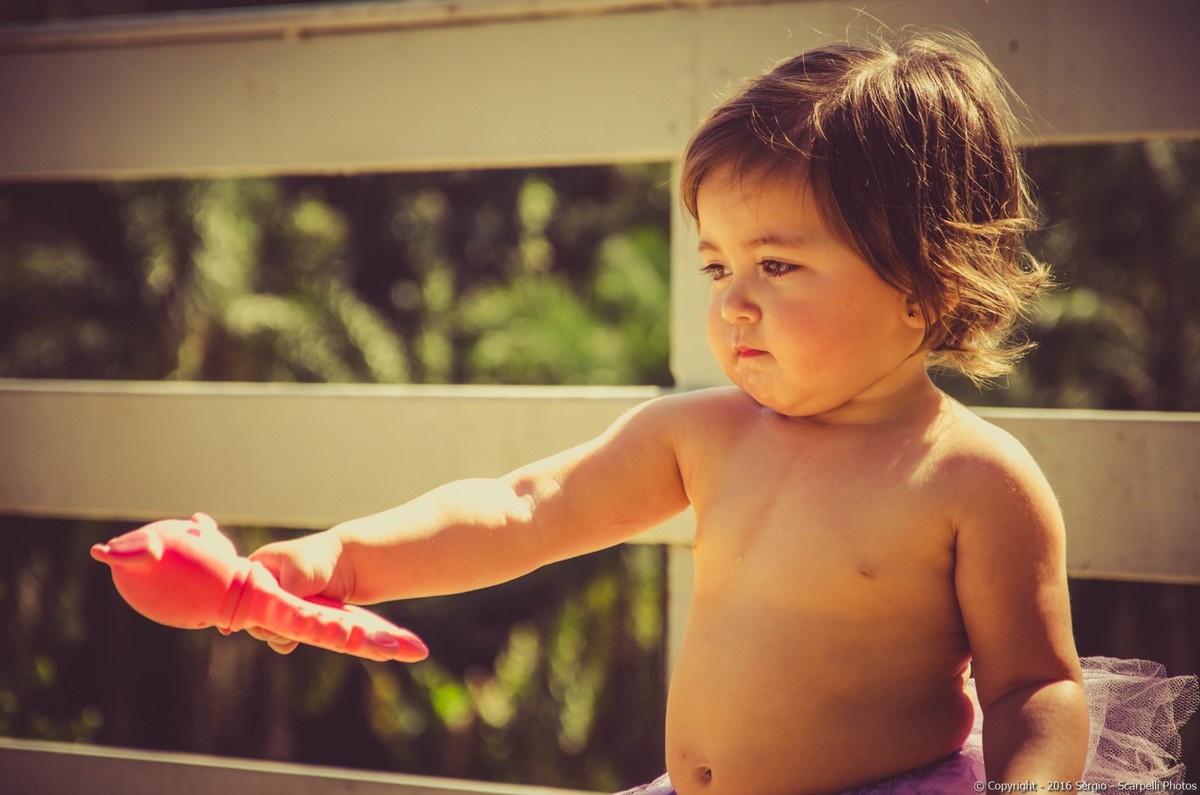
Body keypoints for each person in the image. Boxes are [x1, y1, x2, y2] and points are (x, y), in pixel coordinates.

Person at [248, 32, 1197, 794]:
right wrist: (345, 558)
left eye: (776, 265)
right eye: (717, 266)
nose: (734, 302)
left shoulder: (973, 478)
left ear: (923, 285)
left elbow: (1036, 686)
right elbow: (523, 508)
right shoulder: (703, 434)